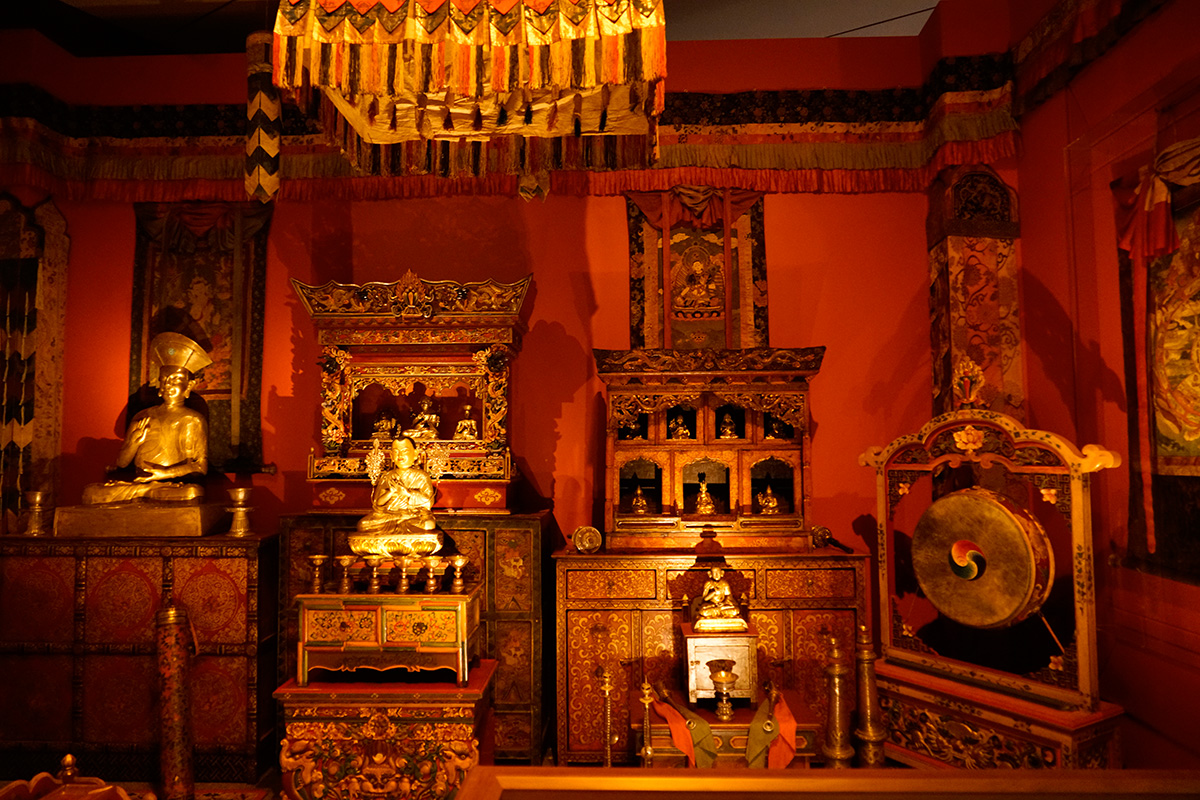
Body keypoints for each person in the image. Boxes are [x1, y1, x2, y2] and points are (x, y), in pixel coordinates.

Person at [83, 333, 212, 504]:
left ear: (189, 386)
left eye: (175, 380)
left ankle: (146, 492)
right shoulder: (142, 415)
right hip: (139, 485)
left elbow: (200, 466)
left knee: (192, 492)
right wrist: (133, 443)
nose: (168, 385)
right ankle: (144, 492)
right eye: (164, 380)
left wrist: (163, 474)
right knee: (91, 492)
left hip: (170, 486)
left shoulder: (192, 419)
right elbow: (122, 463)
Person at [356, 436, 438, 539]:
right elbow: (377, 503)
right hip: (389, 516)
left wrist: (407, 493)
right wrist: (389, 492)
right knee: (363, 524)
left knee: (428, 524)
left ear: (416, 454)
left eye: (404, 451)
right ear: (391, 456)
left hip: (413, 515)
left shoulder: (422, 476)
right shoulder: (387, 476)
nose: (400, 455)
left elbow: (429, 502)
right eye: (396, 452)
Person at [694, 566, 747, 632]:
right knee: (703, 612)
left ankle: (719, 612)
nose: (716, 575)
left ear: (722, 573)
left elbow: (729, 597)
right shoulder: (708, 584)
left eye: (718, 572)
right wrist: (713, 593)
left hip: (723, 606)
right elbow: (705, 599)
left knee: (735, 610)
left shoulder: (724, 584)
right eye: (714, 572)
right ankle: (719, 612)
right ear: (710, 574)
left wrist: (723, 603)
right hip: (712, 605)